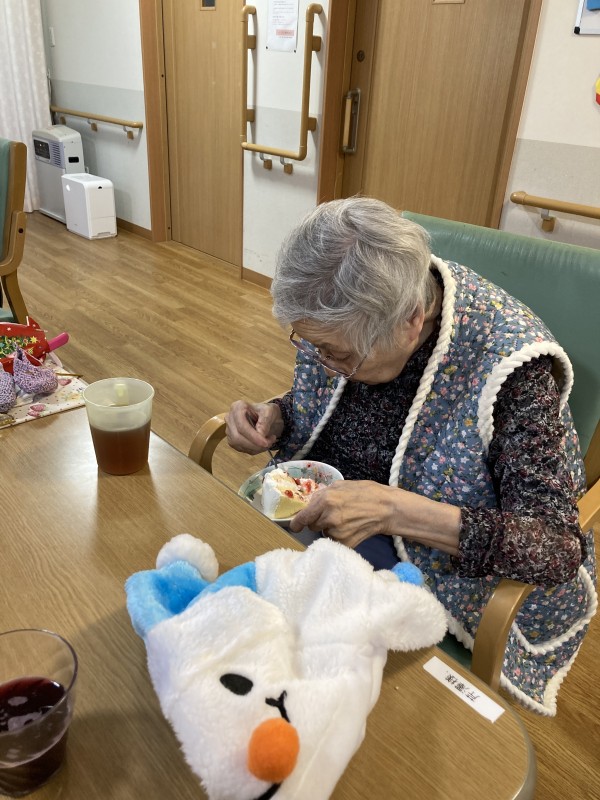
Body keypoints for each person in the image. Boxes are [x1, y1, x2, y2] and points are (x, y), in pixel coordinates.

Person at [225, 197, 596, 715]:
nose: (321, 364)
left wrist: (393, 510)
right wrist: (281, 415)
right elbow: (334, 396)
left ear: (411, 322)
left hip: (430, 563)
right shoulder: (357, 324)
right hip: (334, 524)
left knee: (310, 687)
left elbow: (556, 546)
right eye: (309, 346)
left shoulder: (512, 371)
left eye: (336, 354)